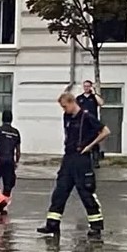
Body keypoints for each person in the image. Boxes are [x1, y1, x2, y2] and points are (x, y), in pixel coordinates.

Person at [37, 92, 111, 238]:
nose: (64, 110)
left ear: (72, 103)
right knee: (60, 191)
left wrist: (90, 146)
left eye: (65, 106)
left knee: (86, 192)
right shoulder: (67, 117)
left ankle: (96, 226)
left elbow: (105, 131)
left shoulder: (86, 117)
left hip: (81, 159)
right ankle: (52, 224)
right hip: (68, 158)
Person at [76, 80, 105, 168]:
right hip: (83, 124)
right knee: (83, 142)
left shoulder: (94, 98)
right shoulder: (79, 98)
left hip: (93, 124)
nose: (86, 88)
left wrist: (95, 93)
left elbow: (101, 103)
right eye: (85, 86)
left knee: (95, 142)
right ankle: (83, 161)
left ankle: (95, 161)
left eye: (88, 86)